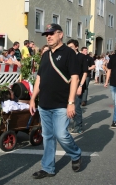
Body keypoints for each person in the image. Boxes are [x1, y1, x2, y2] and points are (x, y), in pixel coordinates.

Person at [29, 23, 82, 179]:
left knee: (61, 134)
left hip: (61, 103)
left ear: (61, 34)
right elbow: (39, 78)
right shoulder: (45, 55)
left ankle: (76, 153)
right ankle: (48, 168)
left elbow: (74, 77)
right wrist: (33, 99)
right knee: (48, 137)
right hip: (44, 103)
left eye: (52, 33)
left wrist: (71, 102)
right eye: (47, 34)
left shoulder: (68, 53)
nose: (49, 36)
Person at [67, 39, 88, 134]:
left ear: (76, 47)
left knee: (76, 107)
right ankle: (70, 125)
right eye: (68, 47)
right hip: (68, 85)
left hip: (78, 85)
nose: (69, 49)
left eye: (71, 47)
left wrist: (80, 86)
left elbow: (85, 73)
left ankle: (78, 127)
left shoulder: (82, 57)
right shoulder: (67, 57)